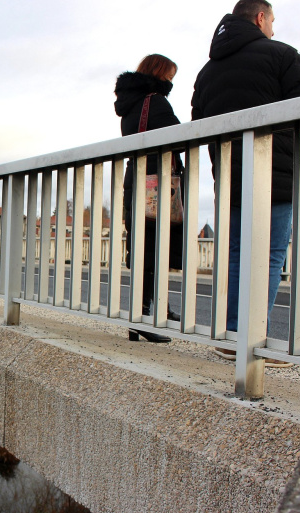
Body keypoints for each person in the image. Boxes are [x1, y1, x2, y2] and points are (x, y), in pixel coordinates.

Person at [191, 0, 300, 363]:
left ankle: (232, 335)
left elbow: (199, 120)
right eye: (272, 20)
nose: (274, 29)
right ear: (260, 17)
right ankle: (255, 335)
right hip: (274, 174)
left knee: (235, 254)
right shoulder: (282, 55)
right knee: (272, 253)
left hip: (228, 176)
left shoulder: (207, 71)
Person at [114, 54, 184, 343]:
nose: (171, 82)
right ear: (159, 74)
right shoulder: (155, 101)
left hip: (138, 182)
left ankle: (150, 312)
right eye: (169, 76)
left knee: (146, 250)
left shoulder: (132, 103)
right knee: (153, 252)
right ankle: (142, 318)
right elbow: (181, 135)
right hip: (157, 185)